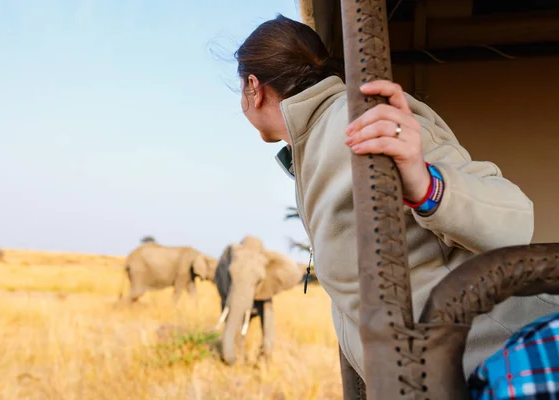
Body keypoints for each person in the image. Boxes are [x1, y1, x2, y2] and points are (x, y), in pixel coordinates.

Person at [233, 13, 559, 398]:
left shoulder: (359, 119)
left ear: (253, 87)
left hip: (514, 371)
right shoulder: (312, 149)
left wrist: (427, 185)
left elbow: (515, 218)